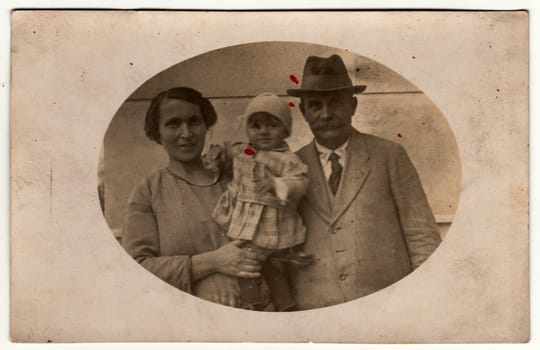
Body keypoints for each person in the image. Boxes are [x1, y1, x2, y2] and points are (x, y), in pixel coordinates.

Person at [286, 54, 442, 310]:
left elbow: (421, 235)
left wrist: (419, 296)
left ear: (353, 106)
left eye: (335, 103)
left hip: (387, 306)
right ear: (303, 111)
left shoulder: (389, 155)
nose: (326, 114)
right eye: (315, 105)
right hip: (316, 312)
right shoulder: (289, 167)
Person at [122, 87, 265, 308]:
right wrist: (212, 262)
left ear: (206, 126)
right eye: (173, 123)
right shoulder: (148, 193)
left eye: (194, 121)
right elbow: (138, 268)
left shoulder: (236, 178)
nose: (186, 133)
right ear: (157, 133)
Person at [211, 92, 312, 310]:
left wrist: (277, 184)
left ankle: (285, 305)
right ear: (248, 130)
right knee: (247, 266)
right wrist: (220, 155)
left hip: (271, 225)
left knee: (275, 267)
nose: (264, 132)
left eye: (272, 126)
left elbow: (300, 182)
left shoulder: (287, 159)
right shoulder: (248, 150)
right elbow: (234, 152)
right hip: (247, 223)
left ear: (286, 130)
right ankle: (252, 304)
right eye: (256, 126)